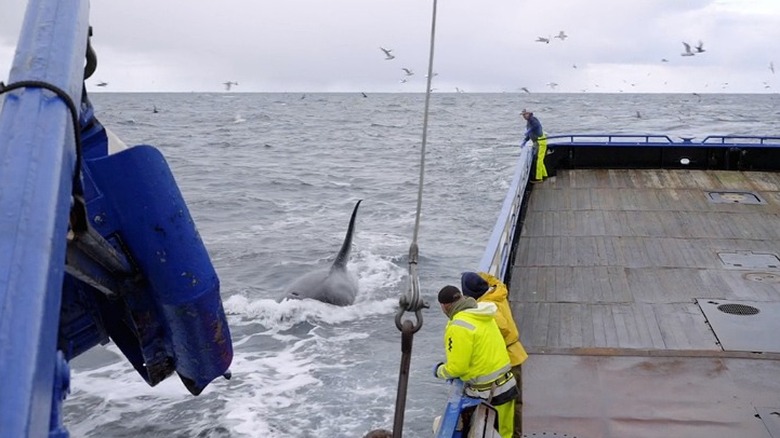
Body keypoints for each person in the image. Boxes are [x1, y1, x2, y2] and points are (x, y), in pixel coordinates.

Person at [433, 285, 518, 438]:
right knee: (506, 434)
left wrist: (439, 371)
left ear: (444, 306)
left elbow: (457, 368)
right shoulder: (482, 313)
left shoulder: (458, 326)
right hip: (507, 385)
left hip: (489, 395)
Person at [461, 271, 528, 438]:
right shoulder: (498, 292)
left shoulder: (488, 306)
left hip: (508, 358)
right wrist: (479, 275)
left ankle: (513, 435)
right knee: (515, 402)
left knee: (508, 404)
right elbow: (496, 281)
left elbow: (503, 328)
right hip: (516, 353)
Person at [520, 109, 548, 182]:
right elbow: (530, 134)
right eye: (523, 115)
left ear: (529, 114)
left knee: (539, 160)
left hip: (541, 141)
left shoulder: (533, 119)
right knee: (539, 159)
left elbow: (536, 126)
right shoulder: (528, 123)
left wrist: (529, 131)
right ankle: (544, 175)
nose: (524, 116)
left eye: (525, 114)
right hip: (536, 142)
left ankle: (539, 178)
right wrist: (525, 140)